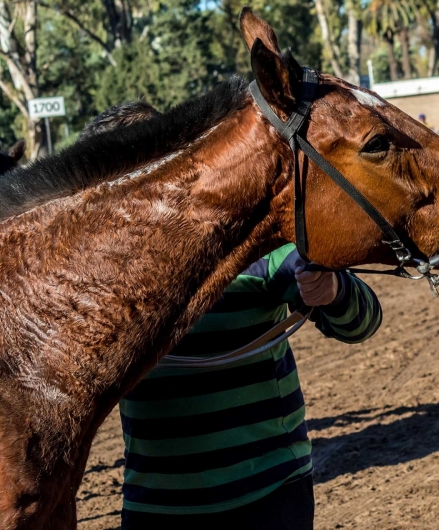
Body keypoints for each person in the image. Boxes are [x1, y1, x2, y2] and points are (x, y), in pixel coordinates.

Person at [79, 105, 383, 529]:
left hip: (268, 498)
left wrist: (333, 291)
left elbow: (362, 322)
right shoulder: (94, 284)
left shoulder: (250, 251)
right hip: (158, 507)